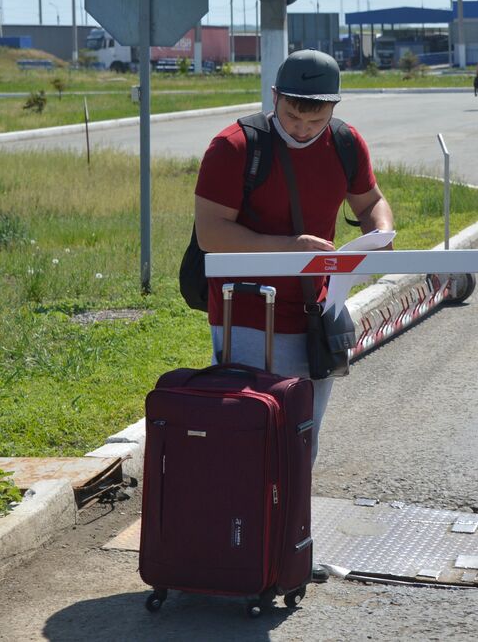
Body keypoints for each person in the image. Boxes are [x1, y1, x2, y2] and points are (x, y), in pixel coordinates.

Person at [193, 50, 394, 583]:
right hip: (247, 313)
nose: (303, 129)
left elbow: (372, 201)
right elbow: (212, 234)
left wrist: (380, 232)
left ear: (334, 109)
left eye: (316, 119)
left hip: (315, 312)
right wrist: (291, 247)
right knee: (254, 433)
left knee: (303, 435)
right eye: (292, 116)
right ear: (275, 98)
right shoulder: (235, 146)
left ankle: (288, 548)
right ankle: (240, 548)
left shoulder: (346, 142)